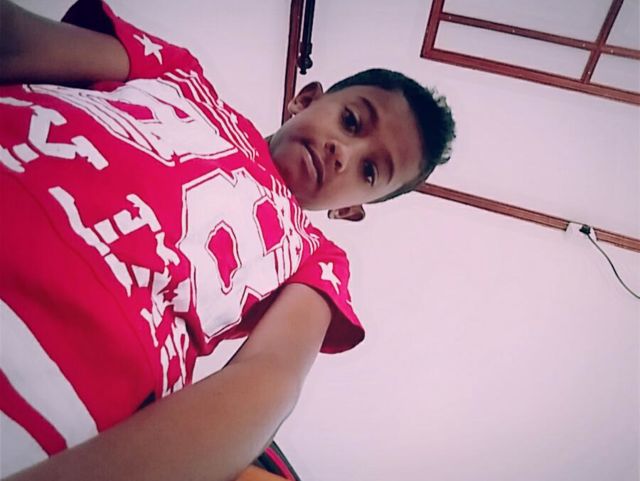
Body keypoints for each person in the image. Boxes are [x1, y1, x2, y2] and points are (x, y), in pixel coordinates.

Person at [0, 0, 456, 479]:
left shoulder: (314, 259)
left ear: (349, 210)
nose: (343, 153)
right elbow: (17, 40)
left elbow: (269, 378)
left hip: (50, 381)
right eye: (351, 122)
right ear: (304, 99)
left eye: (369, 171)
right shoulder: (179, 74)